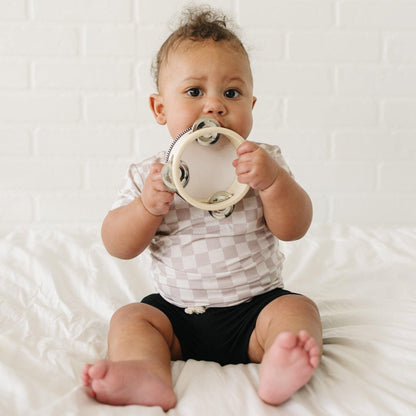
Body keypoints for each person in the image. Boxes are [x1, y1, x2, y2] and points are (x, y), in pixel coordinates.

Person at [82, 6, 322, 411]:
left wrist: (274, 183)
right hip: (177, 317)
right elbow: (117, 245)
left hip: (255, 311)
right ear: (160, 108)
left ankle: (281, 364)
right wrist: (146, 208)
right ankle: (145, 374)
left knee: (298, 309)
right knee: (131, 318)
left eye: (232, 93)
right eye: (194, 92)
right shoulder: (149, 176)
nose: (214, 105)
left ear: (251, 104)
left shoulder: (264, 162)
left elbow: (294, 228)